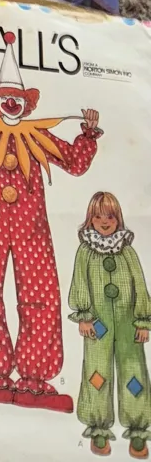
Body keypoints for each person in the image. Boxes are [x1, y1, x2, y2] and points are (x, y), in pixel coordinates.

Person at [0, 33, 103, 408]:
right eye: (5, 99)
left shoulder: (36, 134)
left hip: (31, 229)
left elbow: (74, 162)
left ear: (27, 104)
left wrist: (87, 134)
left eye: (17, 101)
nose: (11, 105)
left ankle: (35, 376)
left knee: (40, 296)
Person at [69, 192, 151, 458]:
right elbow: (80, 282)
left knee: (134, 373)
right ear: (90, 220)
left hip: (128, 324)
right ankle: (99, 427)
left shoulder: (127, 251)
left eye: (110, 216)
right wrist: (84, 316)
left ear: (119, 219)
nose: (104, 221)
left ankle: (138, 428)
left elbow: (140, 285)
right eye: (98, 216)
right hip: (98, 324)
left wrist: (143, 320)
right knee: (97, 372)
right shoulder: (85, 252)